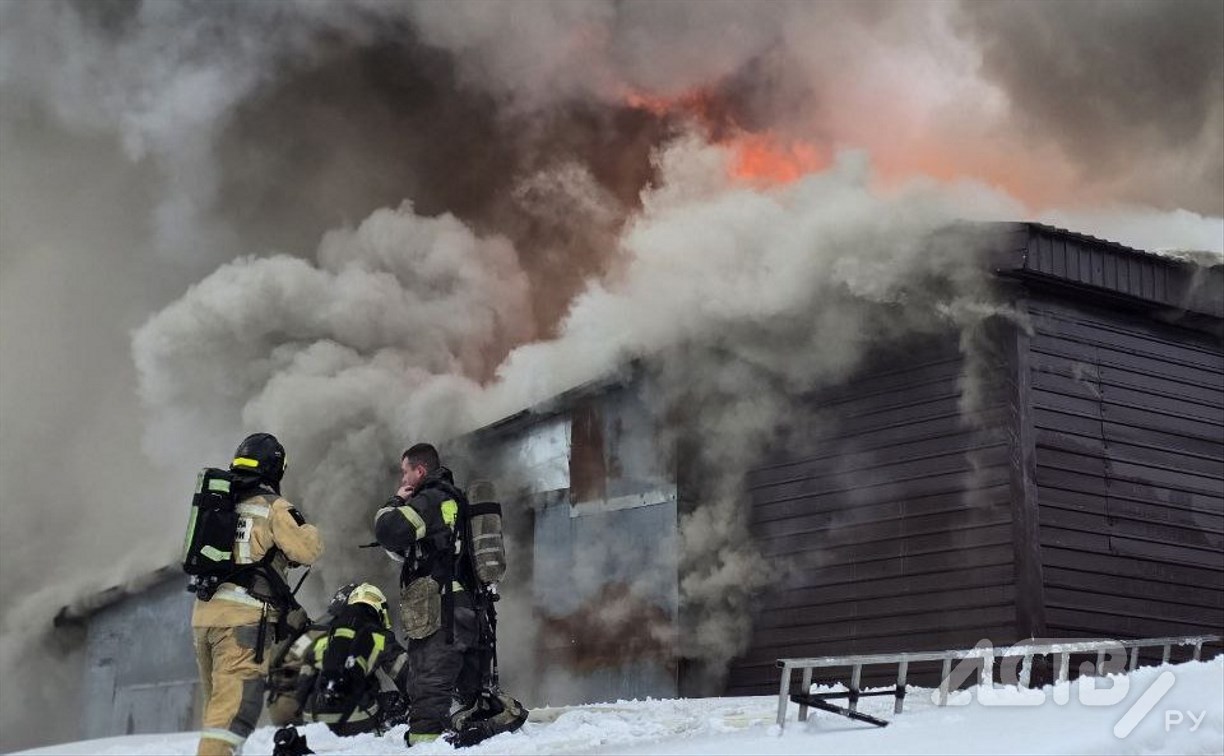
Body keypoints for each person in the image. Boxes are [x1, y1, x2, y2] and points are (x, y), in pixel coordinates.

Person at [192, 433, 324, 756]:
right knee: (233, 717)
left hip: (204, 618)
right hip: (242, 625)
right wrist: (309, 530)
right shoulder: (272, 507)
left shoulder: (221, 503)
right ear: (275, 467)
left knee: (217, 713)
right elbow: (307, 550)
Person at [373, 443, 486, 746]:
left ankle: (425, 748)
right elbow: (428, 548)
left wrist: (394, 500)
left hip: (439, 612)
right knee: (467, 694)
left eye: (405, 472)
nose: (403, 478)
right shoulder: (455, 499)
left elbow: (388, 529)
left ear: (420, 470)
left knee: (426, 688)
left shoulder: (429, 500)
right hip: (464, 608)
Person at [266, 582, 410, 756]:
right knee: (394, 700)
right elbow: (408, 676)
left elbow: (304, 682)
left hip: (309, 717)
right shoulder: (377, 636)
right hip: (355, 720)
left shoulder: (319, 638)